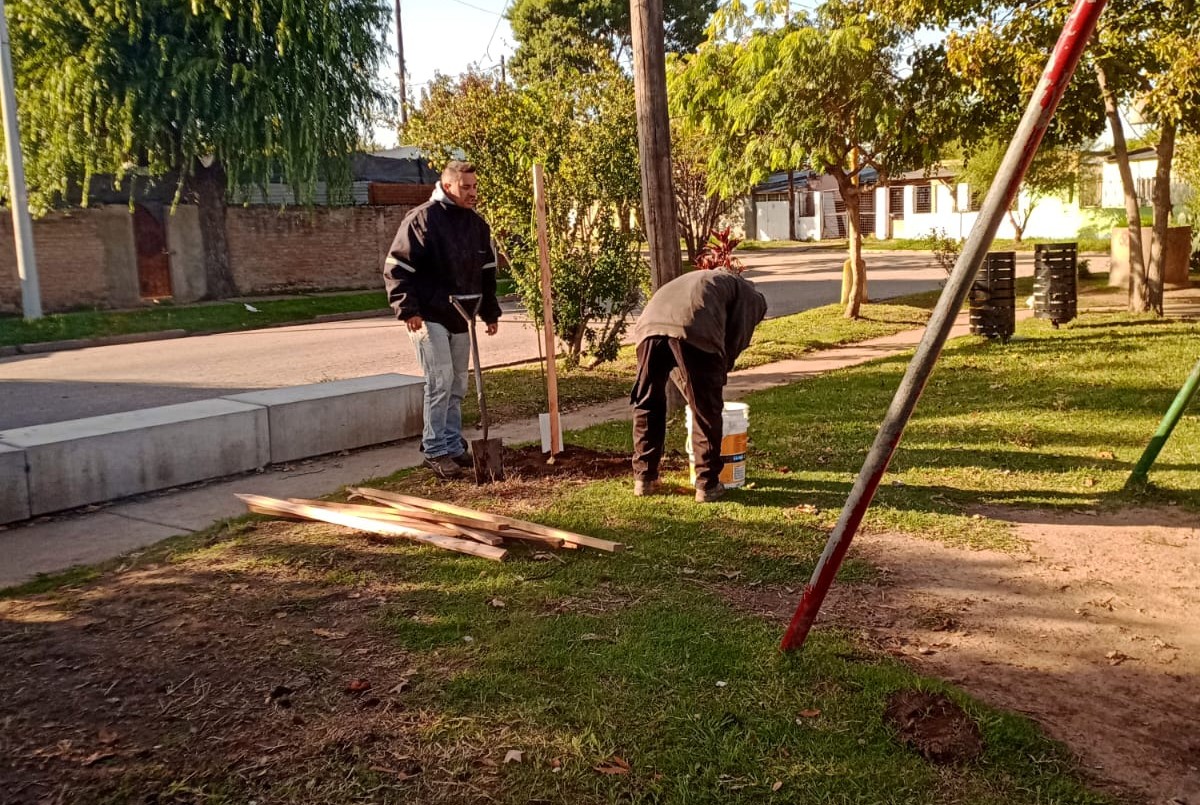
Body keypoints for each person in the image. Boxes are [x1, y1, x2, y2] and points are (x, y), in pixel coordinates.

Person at [384, 161, 501, 479]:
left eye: (475, 186)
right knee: (440, 381)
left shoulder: (477, 225)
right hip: (428, 315)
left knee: (458, 383)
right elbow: (396, 267)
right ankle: (435, 449)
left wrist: (490, 312)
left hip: (462, 315)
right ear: (448, 186)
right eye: (466, 187)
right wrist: (408, 309)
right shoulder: (422, 219)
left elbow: (487, 274)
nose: (473, 192)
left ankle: (452, 443)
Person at [630, 267, 768, 502]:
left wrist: (692, 384)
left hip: (649, 327)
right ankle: (707, 484)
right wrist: (715, 378)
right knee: (706, 408)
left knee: (648, 402)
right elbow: (735, 339)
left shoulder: (709, 280)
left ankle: (644, 478)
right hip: (693, 326)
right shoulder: (750, 297)